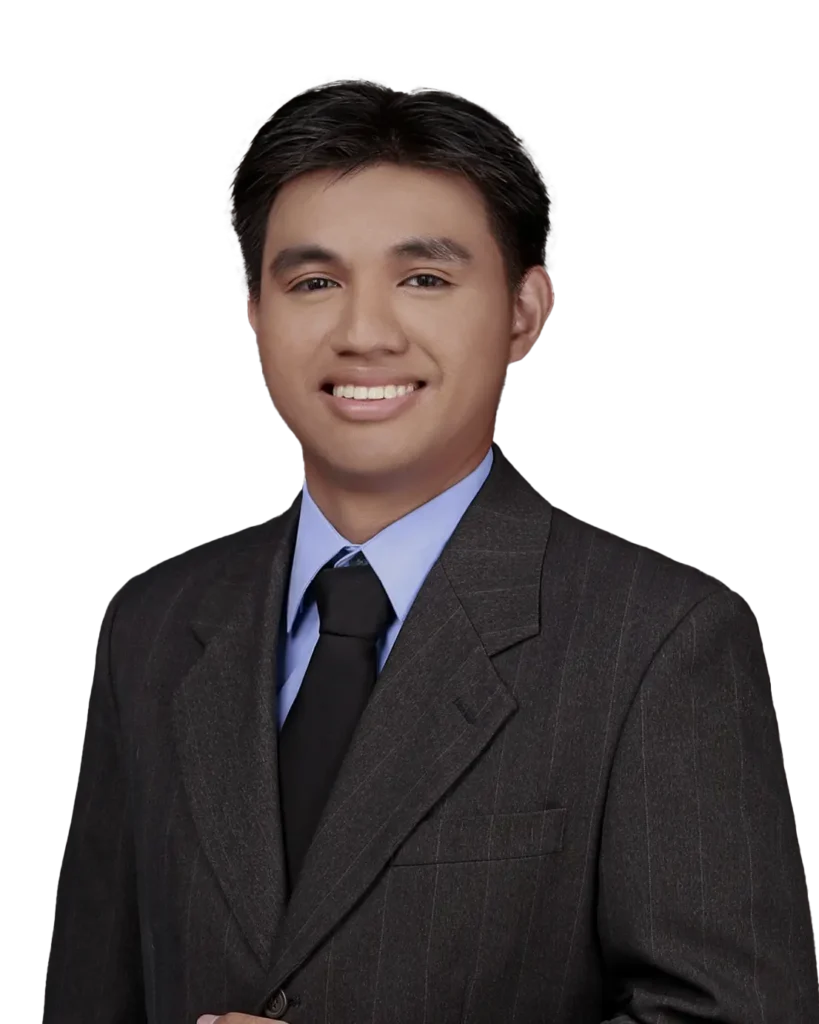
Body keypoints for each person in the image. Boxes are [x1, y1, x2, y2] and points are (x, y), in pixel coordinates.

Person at [43, 79, 818, 1023]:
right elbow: (91, 994)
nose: (364, 333)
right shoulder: (156, 622)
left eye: (424, 280)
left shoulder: (660, 641)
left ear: (524, 312)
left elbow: (729, 1014)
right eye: (314, 282)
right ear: (255, 312)